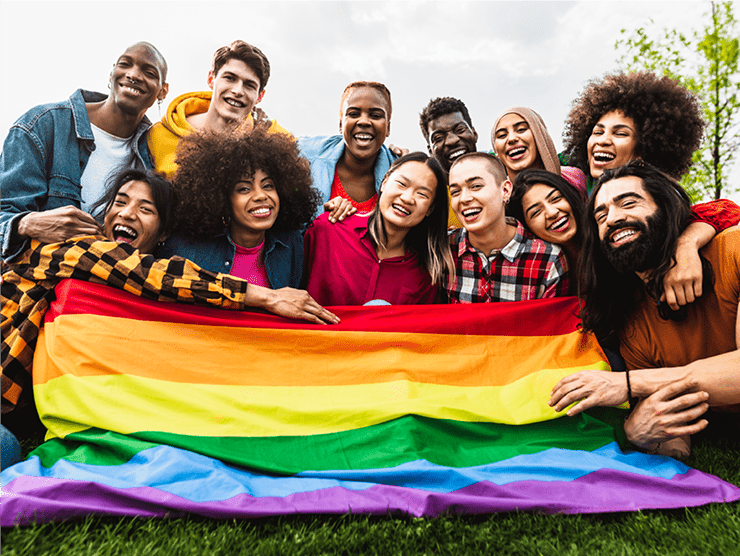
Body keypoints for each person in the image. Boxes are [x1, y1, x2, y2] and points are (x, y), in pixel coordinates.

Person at [2, 168, 338, 415]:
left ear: (163, 235)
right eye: (120, 203)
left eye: (145, 209)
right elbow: (157, 275)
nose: (128, 213)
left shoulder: (291, 246)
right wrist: (269, 296)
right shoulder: (76, 246)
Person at [549, 161, 740, 457]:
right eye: (601, 216)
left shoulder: (734, 250)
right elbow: (675, 435)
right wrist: (637, 432)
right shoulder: (632, 323)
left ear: (664, 208)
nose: (613, 218)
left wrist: (626, 384)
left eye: (628, 203)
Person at [0, 42, 169, 262]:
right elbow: (4, 212)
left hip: (101, 290)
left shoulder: (155, 152)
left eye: (149, 72)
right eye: (125, 64)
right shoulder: (43, 125)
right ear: (112, 74)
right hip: (34, 283)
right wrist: (28, 223)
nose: (133, 75)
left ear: (162, 91)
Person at [158, 127, 319, 290]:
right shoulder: (184, 249)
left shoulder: (291, 244)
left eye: (268, 186)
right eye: (244, 189)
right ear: (221, 199)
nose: (261, 196)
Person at [304, 152, 454, 305]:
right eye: (402, 184)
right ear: (384, 183)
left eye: (422, 194)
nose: (407, 198)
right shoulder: (327, 229)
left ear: (430, 208)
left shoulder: (426, 275)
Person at [148, 40, 288, 179]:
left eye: (249, 85)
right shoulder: (158, 134)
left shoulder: (274, 137)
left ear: (260, 96)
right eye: (229, 78)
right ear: (211, 79)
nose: (238, 91)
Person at [444, 153, 569, 303]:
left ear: (505, 190)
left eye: (476, 186)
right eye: (455, 192)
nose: (464, 198)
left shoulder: (549, 259)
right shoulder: (443, 249)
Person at [298, 81, 396, 222]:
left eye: (375, 116)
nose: (364, 121)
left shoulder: (400, 173)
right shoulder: (304, 155)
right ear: (340, 124)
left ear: (388, 127)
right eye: (353, 114)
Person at [491, 107, 587, 196]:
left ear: (540, 137)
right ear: (497, 153)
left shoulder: (575, 179)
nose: (512, 139)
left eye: (521, 129)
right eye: (502, 135)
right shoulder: (497, 198)